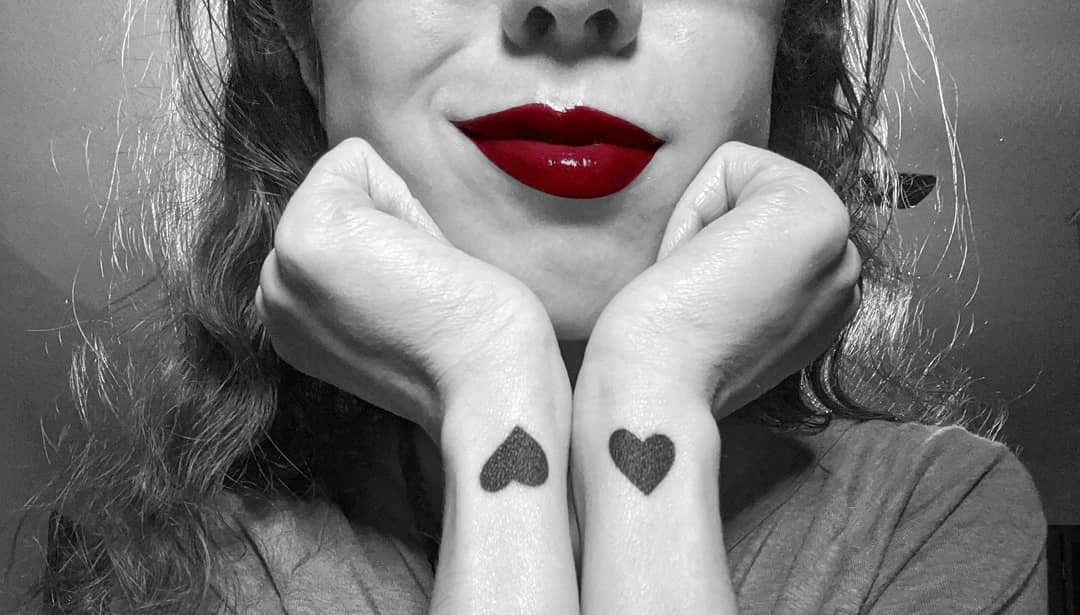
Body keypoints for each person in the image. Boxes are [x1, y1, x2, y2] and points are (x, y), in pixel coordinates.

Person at [36, 0, 1047, 613]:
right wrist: (490, 382)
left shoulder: (936, 518)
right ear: (303, 39)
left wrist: (653, 384)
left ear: (785, 47)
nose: (572, 7)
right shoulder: (177, 580)